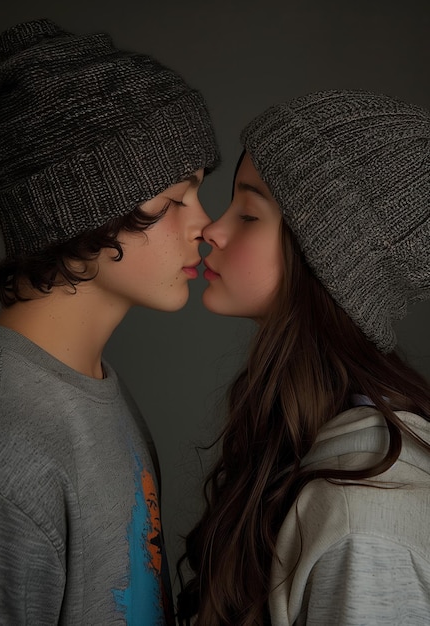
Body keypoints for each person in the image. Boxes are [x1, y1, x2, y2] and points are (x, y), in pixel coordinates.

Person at [0, 18, 219, 625]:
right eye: (172, 201)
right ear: (82, 211)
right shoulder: (1, 446)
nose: (204, 225)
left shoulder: (90, 383)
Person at [177, 90, 430, 625]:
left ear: (327, 261)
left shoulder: (366, 526)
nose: (212, 230)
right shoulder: (303, 435)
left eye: (248, 213)